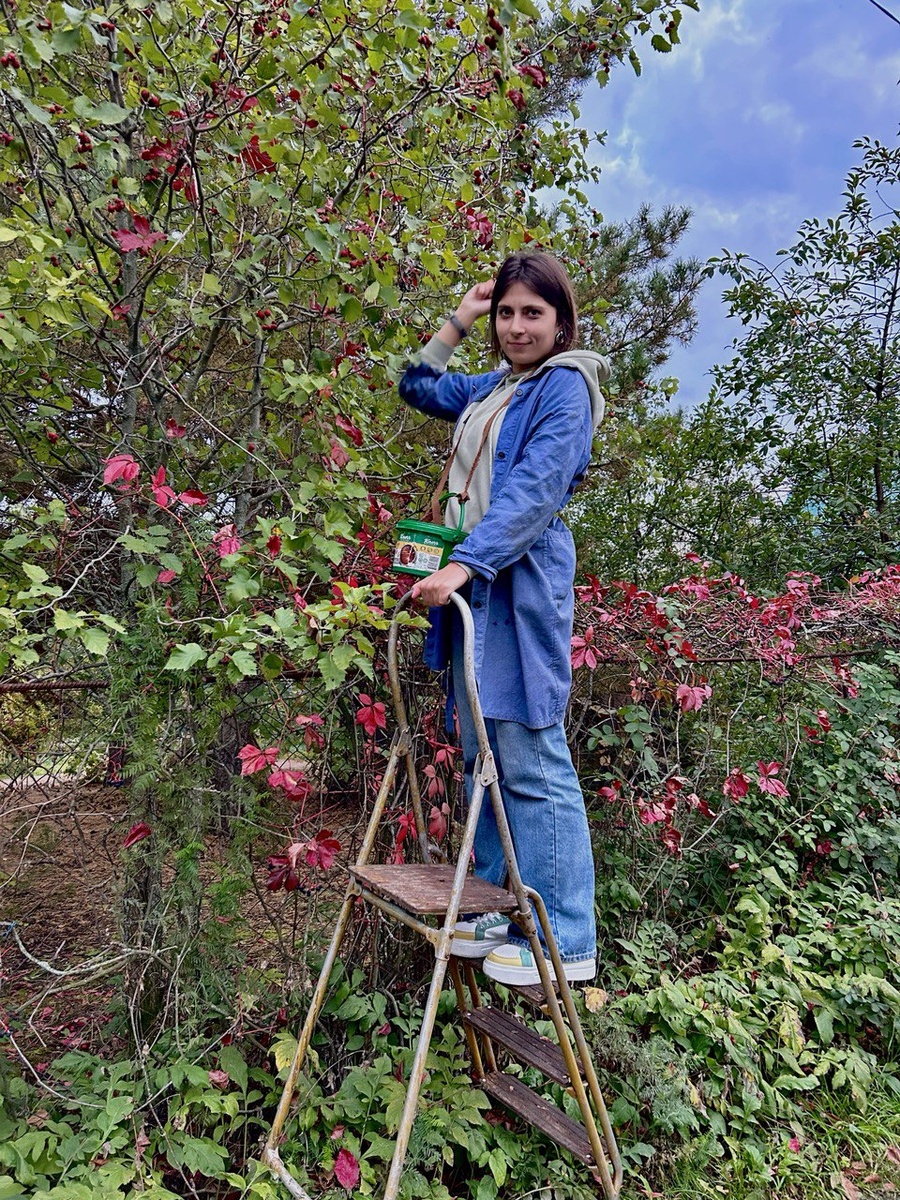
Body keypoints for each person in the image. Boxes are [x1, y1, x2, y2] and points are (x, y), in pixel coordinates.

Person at [398, 251, 610, 986]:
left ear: (561, 322)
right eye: (507, 312)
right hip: (470, 588)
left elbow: (532, 493)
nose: (517, 326)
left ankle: (565, 939)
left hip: (513, 586)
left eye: (533, 313)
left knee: (527, 750)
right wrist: (459, 314)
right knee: (480, 753)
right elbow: (416, 383)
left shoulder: (566, 389)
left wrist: (463, 564)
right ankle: (500, 903)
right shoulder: (496, 387)